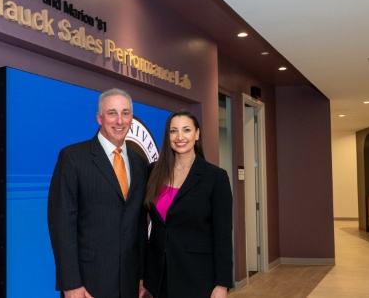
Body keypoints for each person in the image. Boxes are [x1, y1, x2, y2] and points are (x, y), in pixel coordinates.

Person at [48, 88, 149, 298]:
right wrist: (71, 284)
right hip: (88, 283)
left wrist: (142, 274)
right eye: (112, 113)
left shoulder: (140, 163)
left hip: (130, 282)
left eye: (126, 113)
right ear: (99, 118)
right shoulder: (73, 158)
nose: (119, 120)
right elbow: (62, 225)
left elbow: (139, 224)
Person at [143, 109, 233, 298]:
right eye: (173, 131)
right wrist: (142, 275)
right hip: (158, 276)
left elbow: (222, 236)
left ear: (197, 133)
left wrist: (222, 284)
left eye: (186, 130)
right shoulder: (153, 172)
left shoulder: (215, 177)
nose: (180, 137)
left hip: (197, 276)